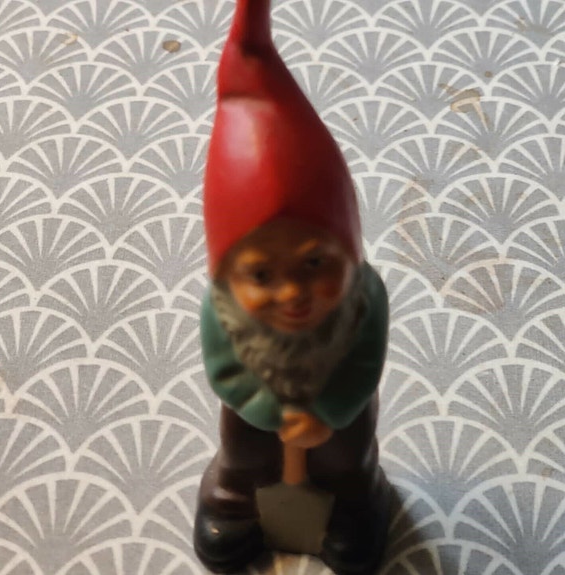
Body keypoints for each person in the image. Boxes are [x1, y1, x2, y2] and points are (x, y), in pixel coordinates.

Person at [194, 1, 390, 573]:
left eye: (314, 263)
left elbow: (363, 363)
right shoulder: (222, 311)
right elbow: (225, 370)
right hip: (256, 414)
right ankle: (234, 503)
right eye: (261, 275)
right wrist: (269, 411)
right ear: (228, 275)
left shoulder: (364, 299)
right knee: (243, 456)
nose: (292, 294)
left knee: (346, 459)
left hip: (338, 409)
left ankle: (352, 508)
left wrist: (328, 410)